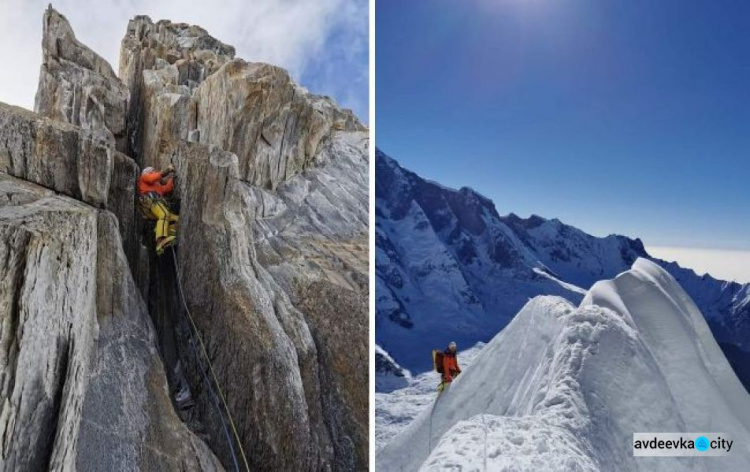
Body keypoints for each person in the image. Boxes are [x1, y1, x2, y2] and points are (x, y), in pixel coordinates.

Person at [138, 165, 179, 255]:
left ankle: (169, 234)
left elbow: (166, 189)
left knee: (176, 219)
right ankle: (160, 240)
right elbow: (152, 178)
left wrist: (171, 179)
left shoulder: (157, 186)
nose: (154, 172)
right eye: (153, 171)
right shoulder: (144, 177)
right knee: (164, 215)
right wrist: (167, 170)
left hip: (155, 204)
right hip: (150, 202)